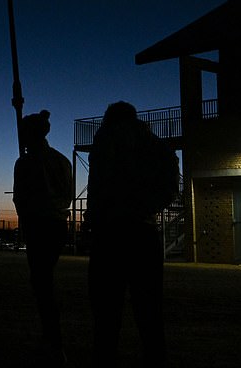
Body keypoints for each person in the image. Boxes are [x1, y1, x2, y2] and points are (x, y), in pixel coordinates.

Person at [86, 101, 180, 368]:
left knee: (106, 313)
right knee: (149, 310)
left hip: (110, 233)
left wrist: (95, 217)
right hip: (143, 231)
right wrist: (147, 206)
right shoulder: (155, 145)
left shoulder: (104, 141)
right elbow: (171, 184)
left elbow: (97, 186)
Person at [12, 109, 73, 366]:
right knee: (43, 279)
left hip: (39, 225)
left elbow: (20, 199)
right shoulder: (61, 161)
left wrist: (27, 220)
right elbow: (68, 194)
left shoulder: (25, 163)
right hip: (58, 225)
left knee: (42, 282)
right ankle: (51, 336)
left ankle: (53, 339)